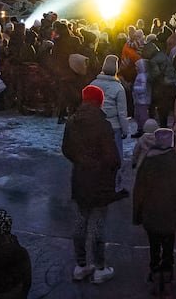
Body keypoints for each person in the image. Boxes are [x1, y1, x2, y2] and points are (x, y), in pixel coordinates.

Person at [60, 84, 120, 285]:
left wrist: (81, 161)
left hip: (80, 177)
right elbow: (112, 157)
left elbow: (66, 149)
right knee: (97, 225)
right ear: (99, 101)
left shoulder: (72, 121)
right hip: (100, 179)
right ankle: (100, 267)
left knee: (80, 221)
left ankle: (80, 264)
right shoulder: (103, 124)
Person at [132, 128, 176, 295]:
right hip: (170, 216)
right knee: (168, 245)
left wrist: (137, 215)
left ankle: (155, 271)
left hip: (150, 215)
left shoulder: (147, 163)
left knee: (153, 245)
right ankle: (167, 274)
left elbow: (139, 192)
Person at [89, 54, 129, 192]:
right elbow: (122, 113)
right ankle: (115, 185)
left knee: (97, 155)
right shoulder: (118, 88)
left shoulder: (93, 84)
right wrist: (125, 130)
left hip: (96, 125)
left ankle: (97, 183)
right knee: (116, 157)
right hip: (114, 127)